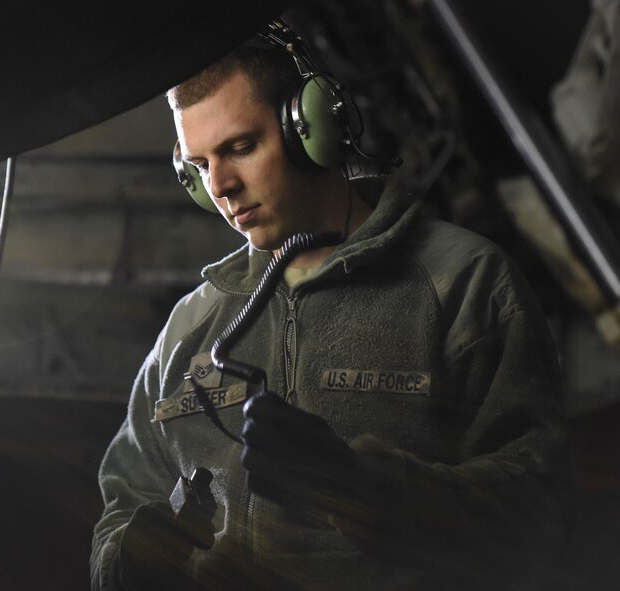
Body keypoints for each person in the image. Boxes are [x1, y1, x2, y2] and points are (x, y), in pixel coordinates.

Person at [90, 17, 574, 591]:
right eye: (199, 166)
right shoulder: (191, 326)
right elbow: (119, 512)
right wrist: (132, 562)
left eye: (240, 147)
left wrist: (360, 489)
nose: (220, 185)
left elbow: (536, 519)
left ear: (313, 129)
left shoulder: (465, 283)